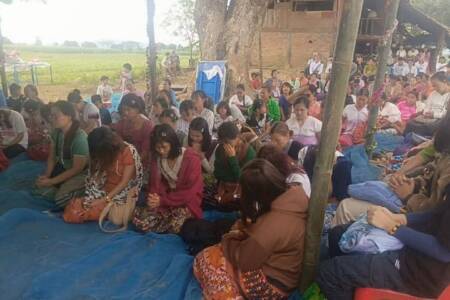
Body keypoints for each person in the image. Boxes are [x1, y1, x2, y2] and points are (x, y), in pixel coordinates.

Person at [194, 159, 309, 299]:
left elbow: (245, 261)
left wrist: (228, 240)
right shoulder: (294, 191)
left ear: (256, 195)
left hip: (272, 285)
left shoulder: (270, 227)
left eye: (243, 191)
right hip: (285, 272)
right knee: (215, 253)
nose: (240, 194)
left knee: (205, 260)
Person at [318, 185, 450, 300]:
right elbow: (436, 214)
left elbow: (444, 252)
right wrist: (399, 218)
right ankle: (351, 284)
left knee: (327, 273)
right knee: (337, 234)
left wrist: (392, 226)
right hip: (414, 249)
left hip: (418, 273)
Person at [63, 127, 143, 224]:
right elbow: (96, 175)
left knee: (116, 219)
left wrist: (103, 200)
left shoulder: (127, 151)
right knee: (82, 206)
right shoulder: (102, 154)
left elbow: (124, 183)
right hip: (105, 187)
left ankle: (93, 211)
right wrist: (94, 195)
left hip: (123, 191)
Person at [133, 124, 203, 234]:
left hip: (186, 201)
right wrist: (154, 199)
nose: (161, 151)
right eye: (157, 148)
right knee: (140, 219)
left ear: (173, 143)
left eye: (164, 147)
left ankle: (164, 224)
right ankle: (161, 223)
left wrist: (162, 201)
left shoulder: (191, 159)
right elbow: (155, 184)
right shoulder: (157, 158)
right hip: (166, 198)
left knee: (176, 223)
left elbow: (189, 192)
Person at [33, 101, 88, 208]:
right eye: (51, 115)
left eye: (56, 115)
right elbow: (52, 158)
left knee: (60, 199)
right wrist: (47, 176)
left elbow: (77, 168)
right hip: (64, 167)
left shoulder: (79, 137)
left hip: (82, 173)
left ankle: (83, 191)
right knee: (39, 184)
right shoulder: (56, 133)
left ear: (69, 116)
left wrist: (51, 182)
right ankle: (61, 187)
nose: (51, 118)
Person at [113, 93, 153, 168]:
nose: (125, 113)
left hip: (141, 165)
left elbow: (145, 152)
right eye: (124, 109)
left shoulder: (147, 126)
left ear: (137, 110)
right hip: (125, 161)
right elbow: (118, 144)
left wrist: (131, 166)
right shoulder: (122, 124)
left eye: (128, 110)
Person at [404, 72, 449, 137]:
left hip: (441, 120)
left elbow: (447, 114)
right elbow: (427, 106)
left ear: (445, 81)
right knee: (410, 123)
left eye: (436, 85)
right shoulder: (433, 93)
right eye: (433, 86)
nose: (434, 88)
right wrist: (426, 113)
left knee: (429, 127)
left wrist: (434, 115)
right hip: (428, 117)